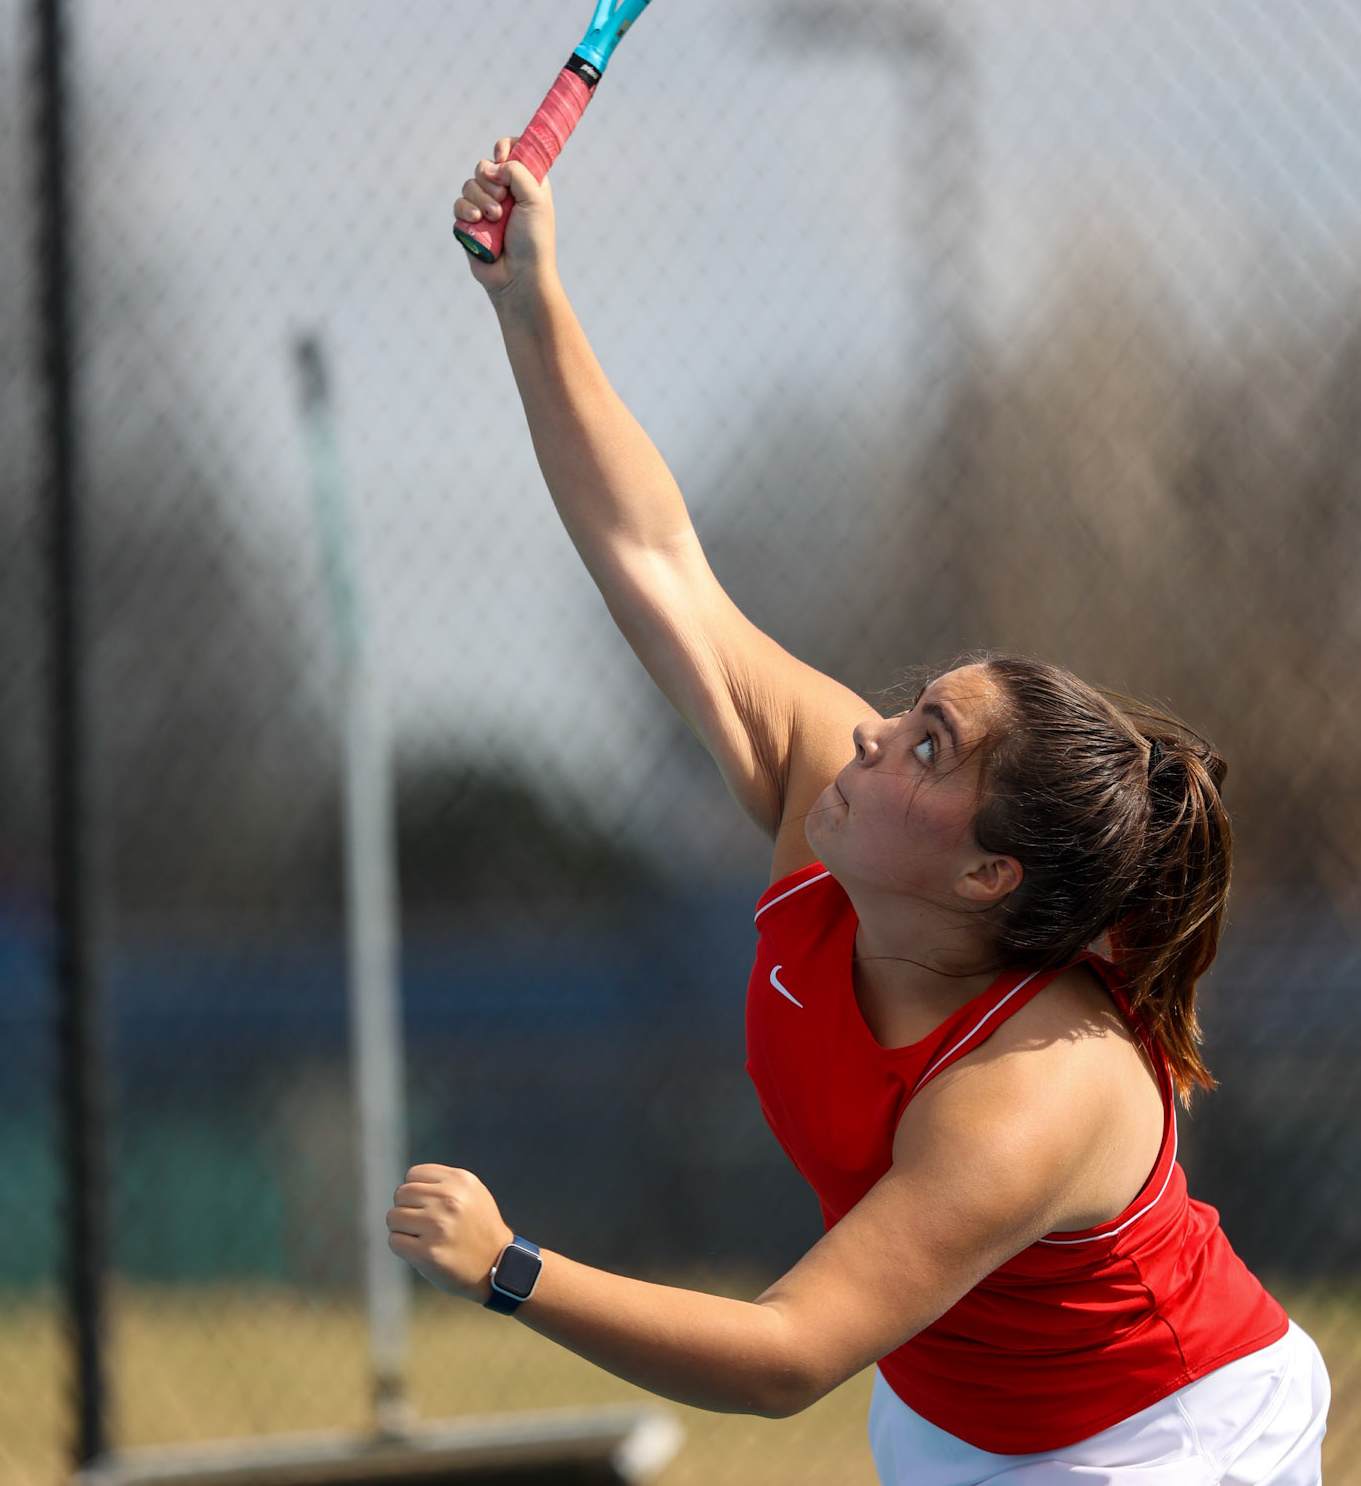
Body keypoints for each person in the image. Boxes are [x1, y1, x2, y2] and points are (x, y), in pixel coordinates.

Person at [386, 143, 1330, 1486]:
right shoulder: (823, 798)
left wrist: (507, 1269)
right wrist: (530, 305)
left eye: (927, 745)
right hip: (951, 1413)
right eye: (911, 706)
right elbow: (657, 557)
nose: (875, 732)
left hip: (1156, 1434)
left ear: (989, 874)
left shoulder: (1031, 1091)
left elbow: (783, 1355)